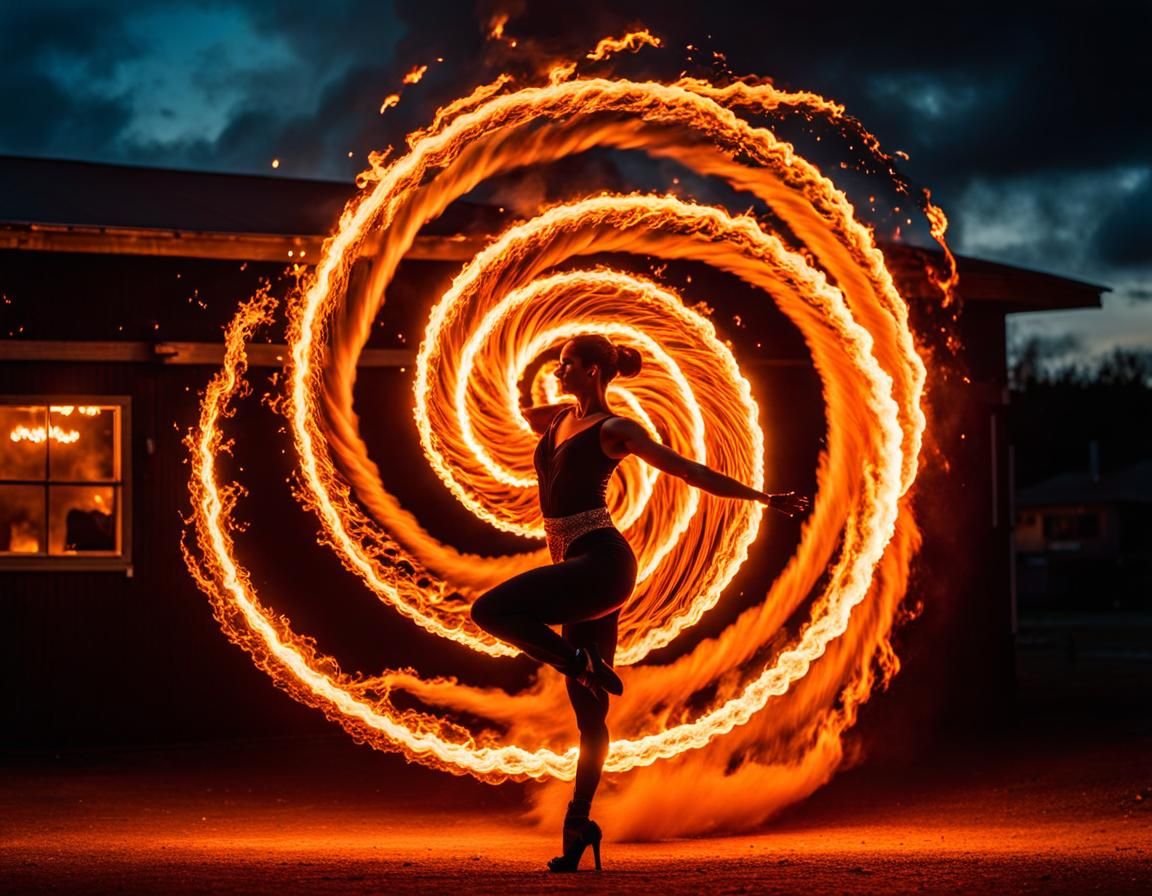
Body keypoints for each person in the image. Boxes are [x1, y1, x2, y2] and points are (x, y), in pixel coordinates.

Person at [469, 334, 809, 872]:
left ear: (594, 371)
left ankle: (578, 663)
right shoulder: (557, 420)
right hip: (576, 570)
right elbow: (500, 406)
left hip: (602, 565)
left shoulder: (616, 430)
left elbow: (687, 471)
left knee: (489, 612)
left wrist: (762, 498)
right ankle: (579, 824)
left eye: (567, 365)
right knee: (589, 713)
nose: (557, 372)